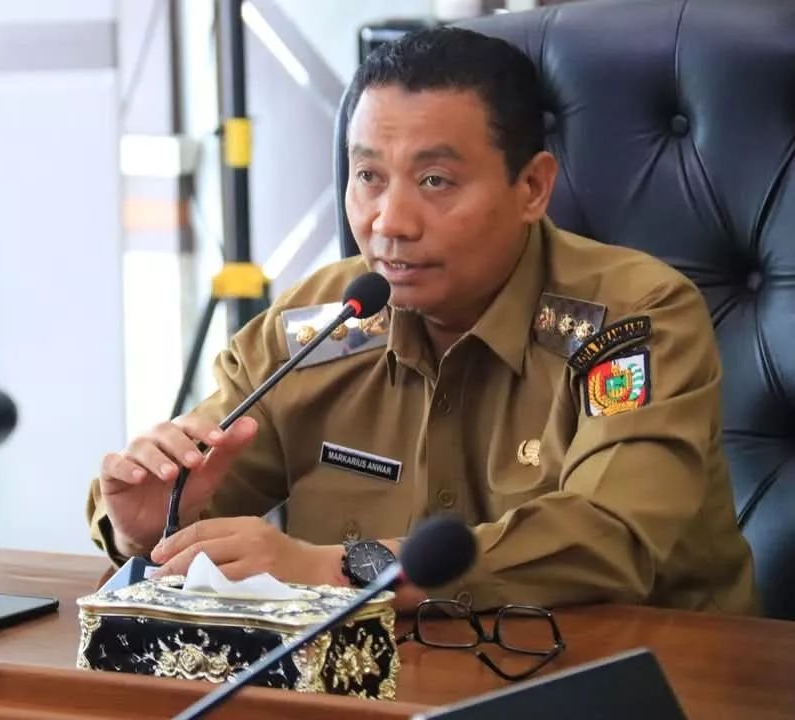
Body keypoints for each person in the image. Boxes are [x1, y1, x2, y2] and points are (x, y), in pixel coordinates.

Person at [86, 27, 757, 615]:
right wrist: (151, 523)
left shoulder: (632, 319)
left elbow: (608, 535)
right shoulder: (318, 324)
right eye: (368, 177)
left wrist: (340, 570)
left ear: (532, 188)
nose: (390, 223)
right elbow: (193, 494)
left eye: (435, 181)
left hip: (639, 677)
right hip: (383, 682)